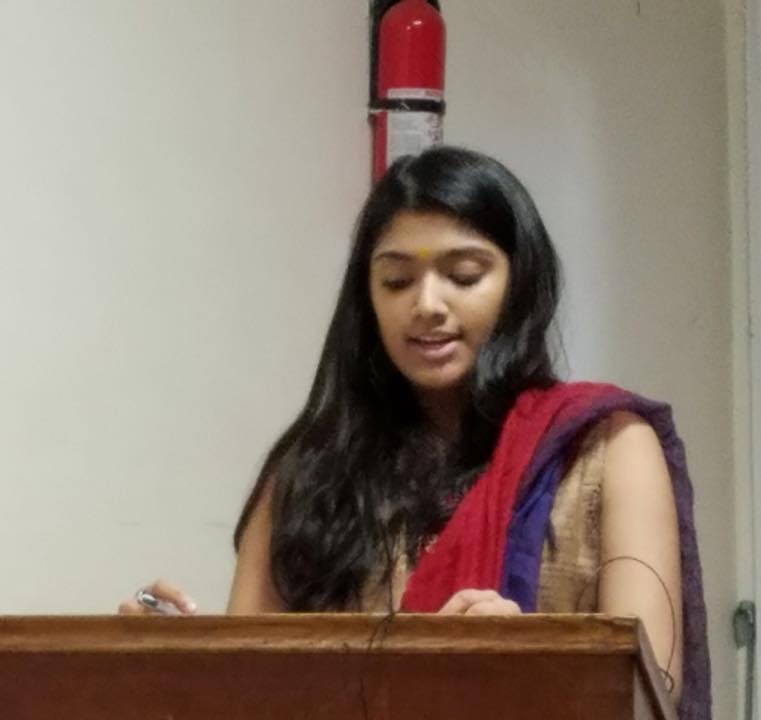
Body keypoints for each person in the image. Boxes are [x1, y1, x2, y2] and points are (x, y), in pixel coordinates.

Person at [118, 146, 710, 718]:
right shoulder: (310, 471)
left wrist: (531, 665)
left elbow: (648, 697)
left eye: (464, 275)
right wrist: (172, 667)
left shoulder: (607, 449)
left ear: (521, 283)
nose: (427, 304)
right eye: (397, 281)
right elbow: (244, 693)